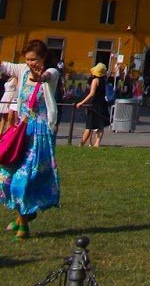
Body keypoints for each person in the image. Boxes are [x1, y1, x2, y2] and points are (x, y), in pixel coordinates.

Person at [0, 39, 61, 241]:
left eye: (33, 59)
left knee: (24, 179)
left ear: (43, 57)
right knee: (6, 177)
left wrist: (40, 76)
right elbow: (5, 66)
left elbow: (46, 77)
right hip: (22, 132)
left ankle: (23, 224)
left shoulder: (52, 73)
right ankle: (23, 214)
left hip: (40, 134)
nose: (30, 63)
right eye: (27, 59)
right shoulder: (22, 70)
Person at [76, 65, 109, 148]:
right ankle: (97, 143)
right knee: (100, 126)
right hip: (102, 104)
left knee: (89, 126)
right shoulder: (103, 81)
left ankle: (82, 143)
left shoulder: (95, 80)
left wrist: (82, 102)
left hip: (95, 104)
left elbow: (92, 94)